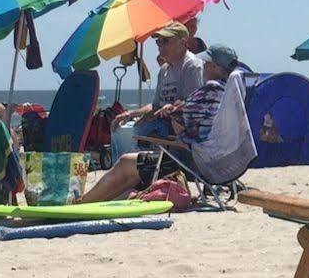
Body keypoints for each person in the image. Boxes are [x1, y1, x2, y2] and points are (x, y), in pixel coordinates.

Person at [77, 44, 237, 203]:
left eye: (207, 63)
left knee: (126, 162)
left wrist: (172, 113)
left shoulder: (210, 91)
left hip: (195, 161)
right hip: (221, 162)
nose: (203, 66)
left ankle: (82, 203)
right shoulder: (229, 92)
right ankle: (89, 203)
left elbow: (181, 127)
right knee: (131, 175)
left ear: (215, 67)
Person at [114, 24, 205, 140]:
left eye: (165, 41)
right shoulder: (164, 70)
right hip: (164, 129)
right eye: (158, 42)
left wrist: (172, 108)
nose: (160, 46)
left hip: (182, 134)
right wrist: (130, 114)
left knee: (136, 137)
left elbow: (195, 105)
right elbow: (155, 106)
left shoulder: (192, 66)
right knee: (121, 132)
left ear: (182, 43)